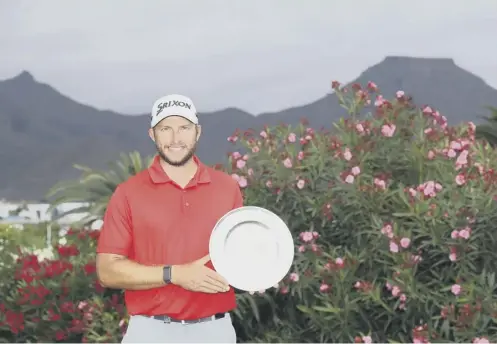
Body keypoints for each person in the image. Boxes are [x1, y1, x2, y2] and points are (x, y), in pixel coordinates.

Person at [96, 94, 243, 343]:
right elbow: (107, 271)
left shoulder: (227, 188)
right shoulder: (129, 192)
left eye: (184, 128)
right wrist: (174, 274)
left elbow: (241, 254)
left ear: (197, 132)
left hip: (215, 331)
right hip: (151, 332)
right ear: (153, 134)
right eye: (166, 128)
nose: (176, 139)